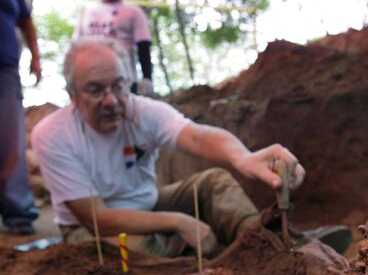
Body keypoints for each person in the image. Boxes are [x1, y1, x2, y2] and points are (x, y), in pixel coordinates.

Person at [31, 37, 310, 258]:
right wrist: (178, 222)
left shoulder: (143, 112)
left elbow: (197, 136)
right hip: (89, 229)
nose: (111, 101)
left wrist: (243, 158)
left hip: (149, 205)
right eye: (95, 90)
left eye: (118, 86)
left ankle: (268, 246)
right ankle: (205, 260)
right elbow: (97, 219)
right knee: (132, 251)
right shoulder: (53, 135)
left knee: (214, 184)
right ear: (73, 95)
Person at [0, 0, 41, 235]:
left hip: (5, 69)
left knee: (10, 141)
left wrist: (35, 57)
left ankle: (18, 213)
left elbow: (26, 22)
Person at [73, 0, 153, 96]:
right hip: (91, 79)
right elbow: (76, 47)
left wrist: (147, 77)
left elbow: (143, 46)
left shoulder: (133, 12)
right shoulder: (87, 12)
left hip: (124, 79)